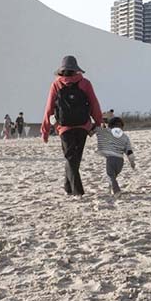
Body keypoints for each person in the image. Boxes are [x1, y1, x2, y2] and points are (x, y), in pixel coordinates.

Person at [41, 54, 103, 197]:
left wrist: (45, 130)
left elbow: (49, 108)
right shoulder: (85, 83)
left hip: (64, 128)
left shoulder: (56, 84)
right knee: (75, 159)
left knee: (70, 158)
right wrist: (98, 123)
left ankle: (76, 191)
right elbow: (94, 104)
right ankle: (69, 188)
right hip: (83, 126)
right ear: (76, 69)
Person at [93, 117, 135, 195]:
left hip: (111, 159)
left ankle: (116, 191)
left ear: (110, 126)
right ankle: (111, 189)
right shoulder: (125, 137)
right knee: (113, 176)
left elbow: (97, 129)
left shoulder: (107, 132)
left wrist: (101, 124)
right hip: (120, 161)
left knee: (110, 176)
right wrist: (132, 161)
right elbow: (129, 150)